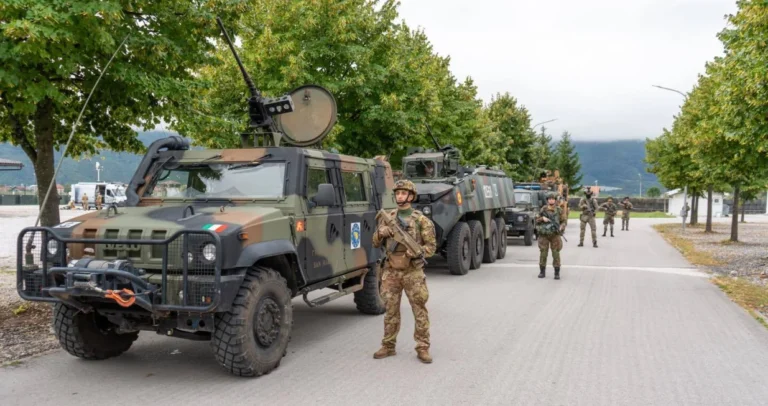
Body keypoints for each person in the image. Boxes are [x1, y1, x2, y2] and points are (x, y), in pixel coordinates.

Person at [372, 179, 436, 363]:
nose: (400, 196)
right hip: (391, 271)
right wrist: (381, 233)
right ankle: (388, 345)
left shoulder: (422, 221)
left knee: (419, 310)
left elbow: (431, 247)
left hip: (412, 272)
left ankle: (423, 346)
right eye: (398, 193)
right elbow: (375, 242)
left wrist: (417, 252)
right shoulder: (388, 217)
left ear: (411, 196)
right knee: (391, 310)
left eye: (403, 193)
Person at [536, 192, 567, 279]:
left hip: (555, 235)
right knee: (543, 253)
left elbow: (564, 221)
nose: (551, 200)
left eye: (552, 199)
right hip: (544, 235)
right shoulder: (543, 209)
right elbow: (537, 219)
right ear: (547, 200)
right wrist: (542, 218)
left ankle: (557, 272)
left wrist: (561, 227)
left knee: (556, 253)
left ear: (555, 200)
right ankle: (542, 271)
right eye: (549, 199)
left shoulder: (559, 210)